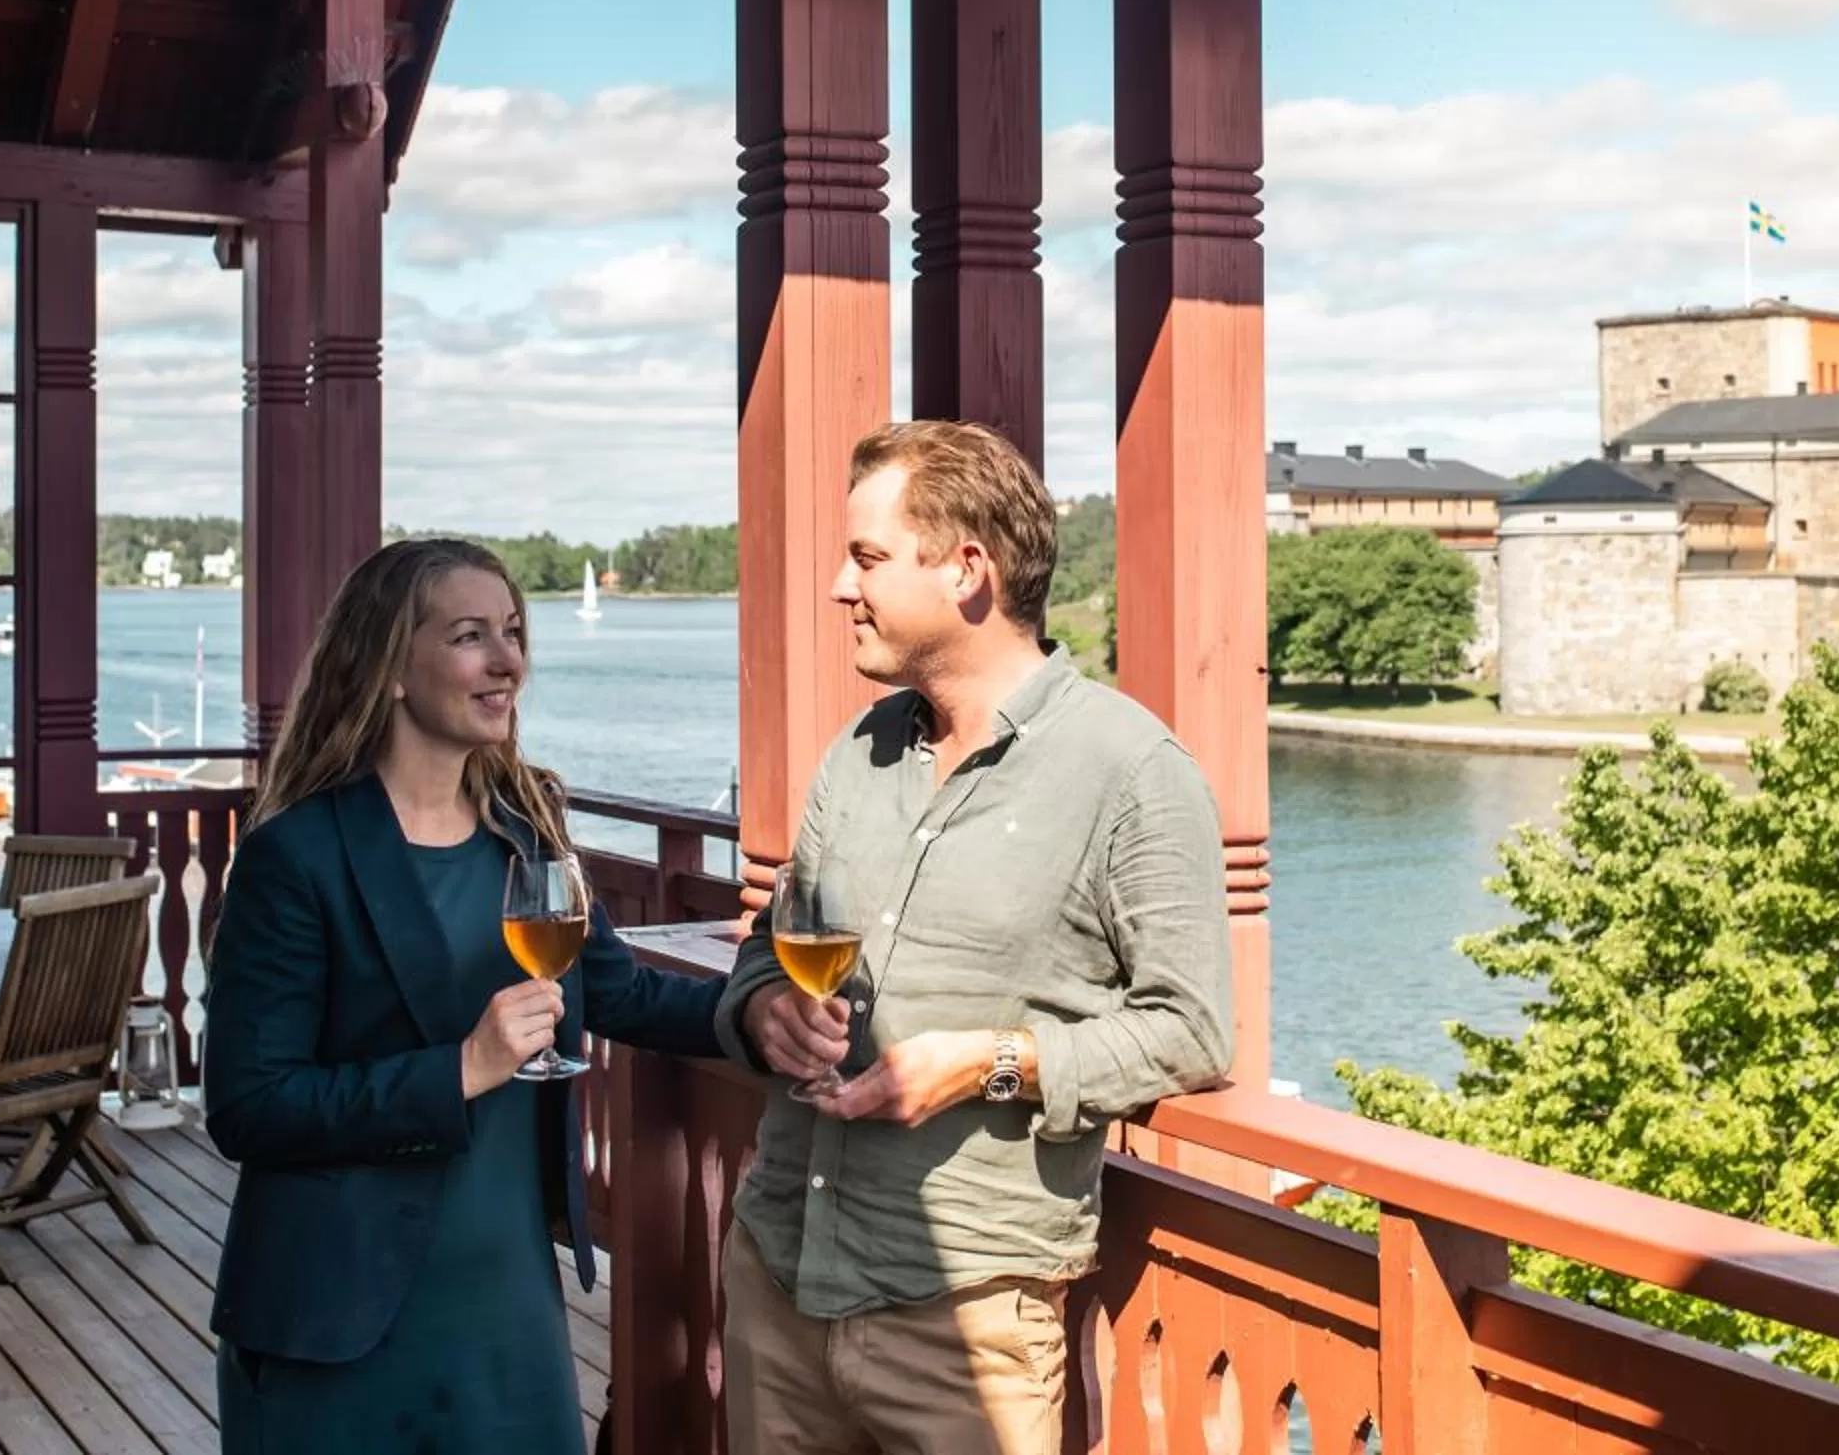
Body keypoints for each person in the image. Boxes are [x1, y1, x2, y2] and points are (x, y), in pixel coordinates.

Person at [717, 421, 1236, 1454]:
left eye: (866, 557)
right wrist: (763, 1007)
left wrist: (989, 1063)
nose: (837, 585)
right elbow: (766, 953)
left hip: (966, 1322)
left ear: (968, 570)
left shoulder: (1132, 771)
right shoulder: (860, 748)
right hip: (778, 1274)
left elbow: (1193, 1030)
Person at [205, 538, 721, 1454]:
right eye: (471, 636)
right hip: (337, 1319)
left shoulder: (528, 833)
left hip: (506, 1305)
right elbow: (248, 1108)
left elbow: (619, 990)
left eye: (514, 633)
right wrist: (461, 1070)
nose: (508, 660)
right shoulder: (295, 857)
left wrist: (756, 1014)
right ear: (391, 669)